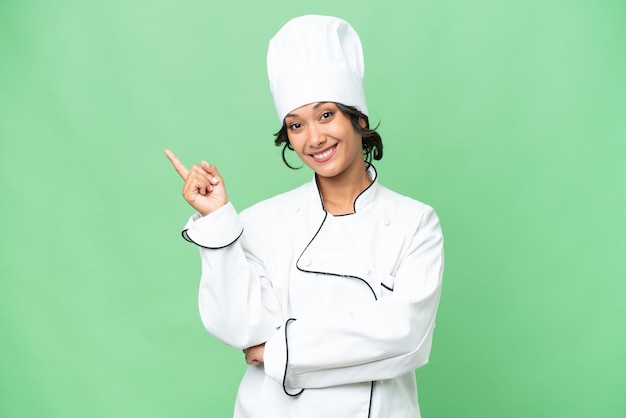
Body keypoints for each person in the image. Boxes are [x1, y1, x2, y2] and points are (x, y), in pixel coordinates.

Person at [165, 15, 443, 418]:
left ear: (358, 118)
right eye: (296, 125)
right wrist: (219, 224)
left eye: (326, 115)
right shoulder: (261, 222)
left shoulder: (414, 222)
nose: (314, 138)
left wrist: (279, 351)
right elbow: (238, 328)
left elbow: (405, 336)